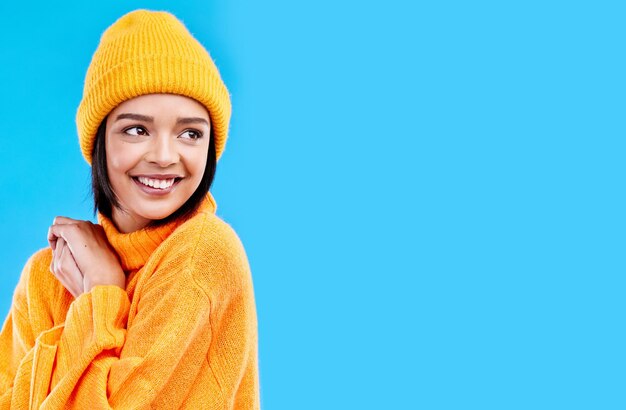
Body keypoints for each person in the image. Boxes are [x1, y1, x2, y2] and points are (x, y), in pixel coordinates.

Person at [0, 9, 260, 409]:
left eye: (190, 133)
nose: (164, 155)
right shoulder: (47, 277)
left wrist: (103, 293)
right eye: (137, 129)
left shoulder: (203, 253)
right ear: (99, 141)